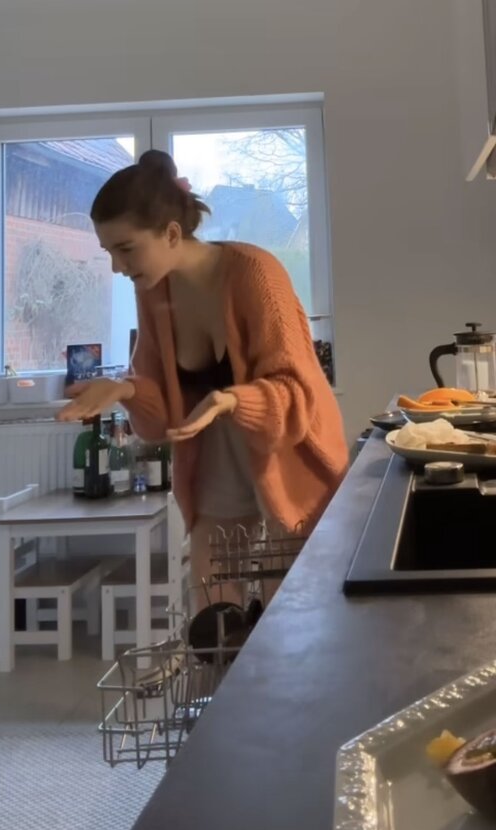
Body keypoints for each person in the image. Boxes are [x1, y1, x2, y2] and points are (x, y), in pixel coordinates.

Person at [58, 150, 349, 609]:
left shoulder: (256, 273)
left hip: (289, 453)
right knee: (211, 605)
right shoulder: (153, 290)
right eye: (108, 252)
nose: (116, 267)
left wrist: (232, 401)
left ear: (172, 234)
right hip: (217, 454)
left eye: (126, 249)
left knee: (291, 614)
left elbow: (298, 394)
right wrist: (124, 389)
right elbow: (163, 419)